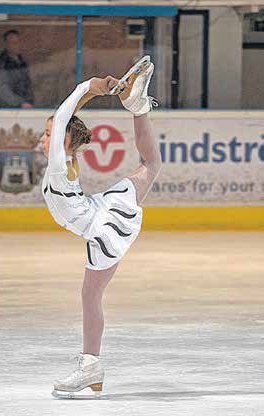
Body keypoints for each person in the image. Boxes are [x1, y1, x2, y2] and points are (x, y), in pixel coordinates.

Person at [39, 56, 161, 397]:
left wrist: (89, 88)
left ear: (63, 142)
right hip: (104, 213)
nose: (44, 138)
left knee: (91, 296)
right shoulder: (65, 162)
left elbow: (64, 115)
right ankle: (138, 107)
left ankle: (90, 365)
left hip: (102, 226)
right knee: (150, 165)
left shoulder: (58, 167)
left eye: (49, 134)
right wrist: (92, 90)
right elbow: (66, 117)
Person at [0, 30, 34, 108]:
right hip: (5, 110)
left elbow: (27, 86)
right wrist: (21, 103)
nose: (17, 45)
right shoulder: (0, 64)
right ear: (6, 44)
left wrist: (29, 101)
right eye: (13, 43)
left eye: (19, 42)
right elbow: (3, 90)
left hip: (22, 107)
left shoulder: (22, 62)